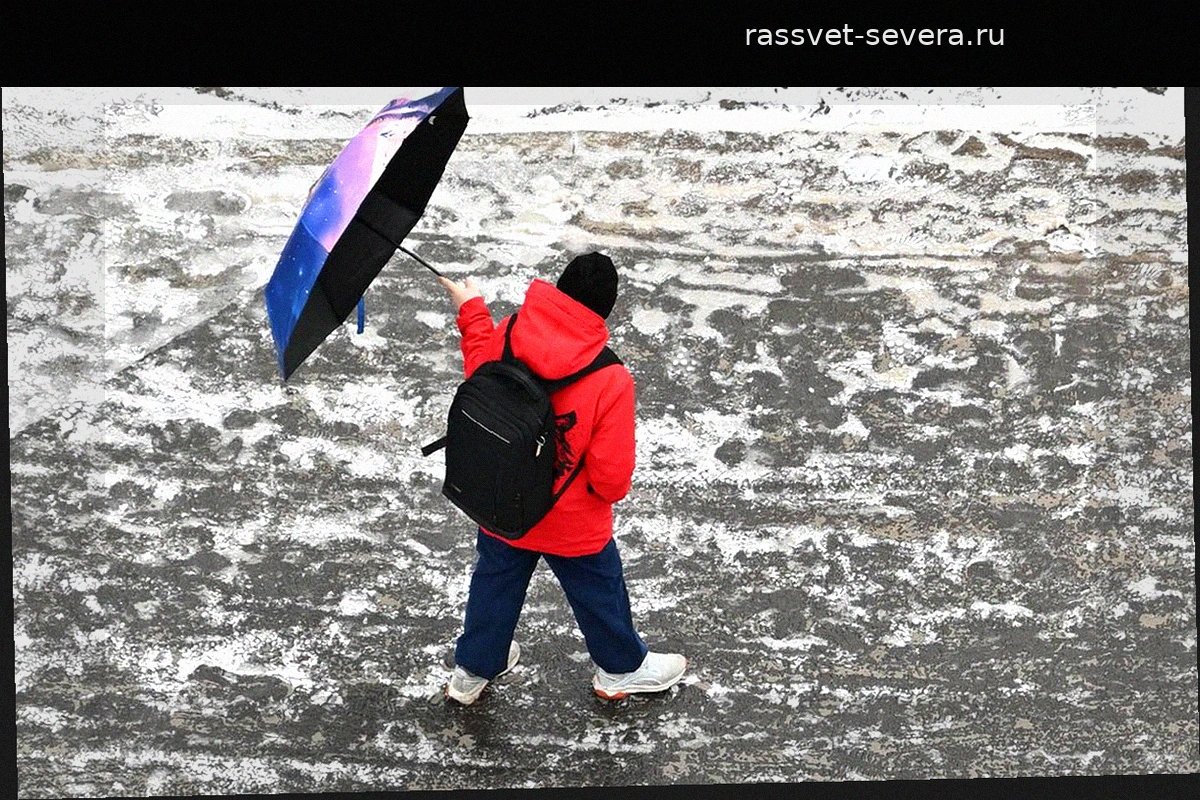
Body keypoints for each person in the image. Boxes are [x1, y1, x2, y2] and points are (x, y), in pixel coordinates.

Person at [436, 251, 686, 704]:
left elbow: (480, 373)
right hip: (572, 522)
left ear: (559, 288)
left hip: (503, 501)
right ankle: (621, 669)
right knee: (599, 593)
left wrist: (471, 309)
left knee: (494, 584)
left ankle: (472, 671)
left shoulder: (512, 331)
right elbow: (612, 479)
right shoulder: (611, 378)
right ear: (605, 310)